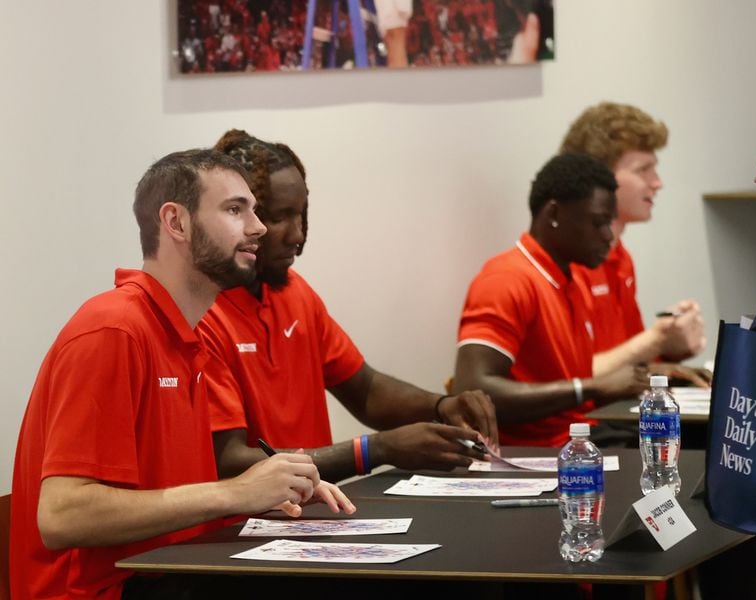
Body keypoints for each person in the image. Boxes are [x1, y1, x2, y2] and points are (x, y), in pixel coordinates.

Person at [9, 149, 353, 600]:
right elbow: (62, 516)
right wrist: (236, 494)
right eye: (235, 209)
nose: (259, 227)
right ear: (176, 222)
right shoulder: (113, 330)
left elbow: (170, 506)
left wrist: (266, 494)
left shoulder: (184, 335)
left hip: (166, 574)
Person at [202, 130, 498, 484]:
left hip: (316, 515)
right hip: (240, 530)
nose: (297, 234)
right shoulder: (202, 314)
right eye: (280, 217)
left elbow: (365, 390)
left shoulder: (296, 294)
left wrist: (440, 406)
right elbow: (231, 461)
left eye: (301, 214)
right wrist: (373, 451)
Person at [453, 153, 649, 448]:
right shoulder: (507, 279)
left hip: (583, 437)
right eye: (598, 223)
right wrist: (588, 389)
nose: (609, 236)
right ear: (554, 214)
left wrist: (651, 374)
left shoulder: (572, 278)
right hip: (540, 453)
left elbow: (574, 377)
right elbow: (472, 390)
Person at [559, 101, 709, 386]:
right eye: (644, 170)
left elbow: (629, 365)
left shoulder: (620, 256)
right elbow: (571, 378)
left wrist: (669, 347)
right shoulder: (569, 264)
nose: (657, 183)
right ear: (599, 178)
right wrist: (656, 340)